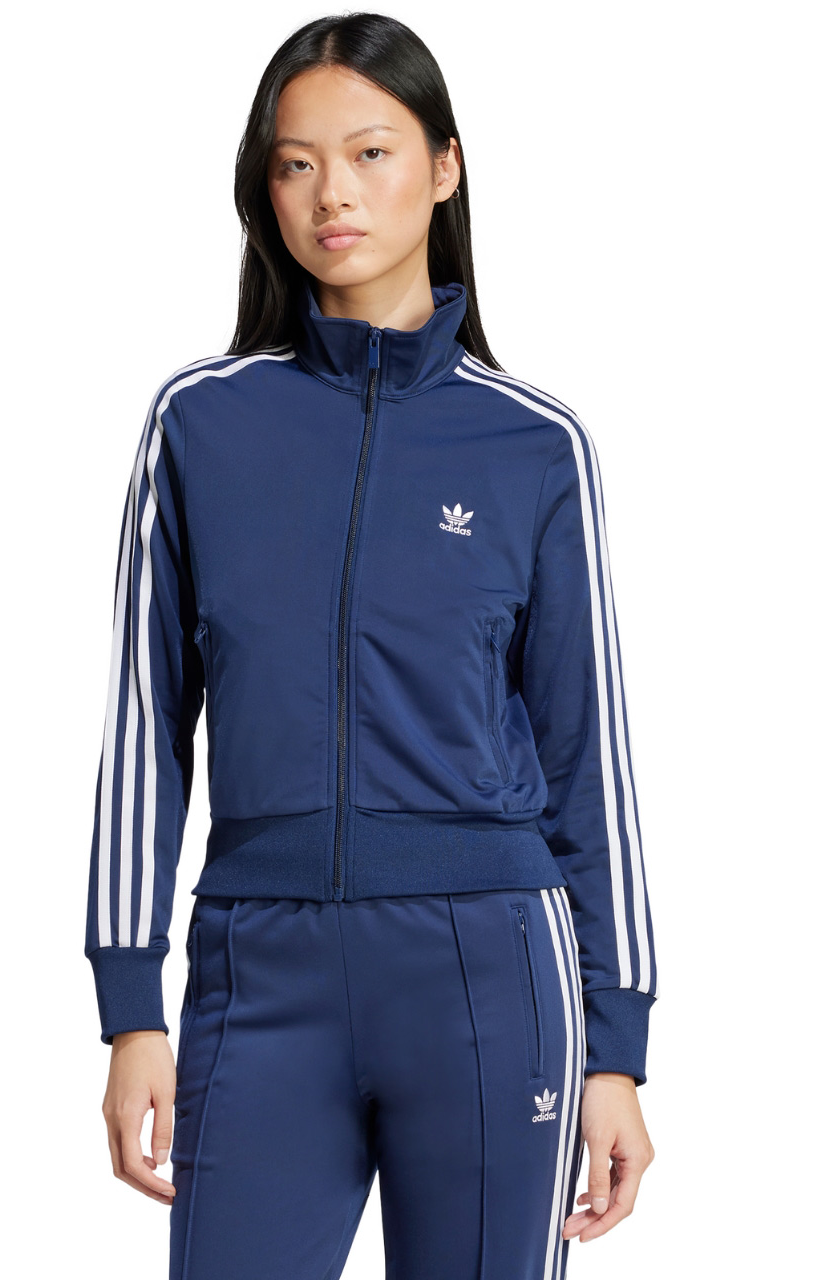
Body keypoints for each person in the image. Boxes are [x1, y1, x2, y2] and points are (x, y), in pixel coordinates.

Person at [84, 12, 658, 1278]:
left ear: (444, 167)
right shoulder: (198, 424)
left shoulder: (534, 445)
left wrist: (615, 1042)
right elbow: (143, 726)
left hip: (489, 972)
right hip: (259, 966)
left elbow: (587, 755)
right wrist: (129, 1005)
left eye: (369, 153)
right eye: (294, 164)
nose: (331, 193)